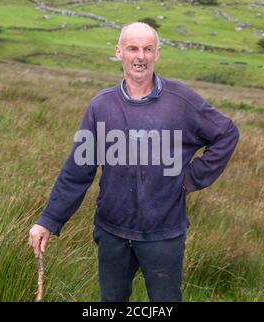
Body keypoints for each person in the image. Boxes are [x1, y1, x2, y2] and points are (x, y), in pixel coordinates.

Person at [29, 22, 239, 302]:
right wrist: (49, 220)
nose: (140, 56)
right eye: (132, 49)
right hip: (112, 232)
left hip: (164, 234)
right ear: (119, 52)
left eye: (147, 49)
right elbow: (78, 172)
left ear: (157, 54)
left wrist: (191, 178)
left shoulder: (181, 101)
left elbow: (226, 133)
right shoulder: (101, 106)